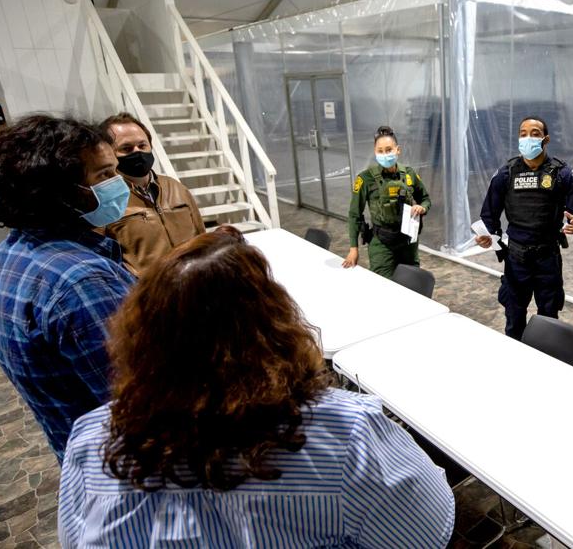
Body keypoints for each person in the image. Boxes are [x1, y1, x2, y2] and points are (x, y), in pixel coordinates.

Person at [58, 227, 455, 547]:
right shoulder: (347, 433)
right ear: (275, 323)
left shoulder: (92, 437)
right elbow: (426, 531)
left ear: (140, 337)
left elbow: (73, 536)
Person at [0, 115, 134, 461]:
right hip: (126, 464)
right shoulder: (82, 282)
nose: (119, 184)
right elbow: (144, 401)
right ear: (59, 192)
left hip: (79, 454)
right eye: (104, 175)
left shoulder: (4, 258)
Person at [476, 116, 573, 339]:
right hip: (516, 259)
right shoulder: (505, 174)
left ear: (545, 139)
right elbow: (489, 216)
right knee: (514, 316)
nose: (528, 137)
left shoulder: (562, 173)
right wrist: (488, 237)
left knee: (548, 318)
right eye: (523, 133)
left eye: (535, 133)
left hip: (547, 257)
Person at [98, 112, 206, 276]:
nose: (137, 152)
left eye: (142, 145)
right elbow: (106, 261)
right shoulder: (106, 200)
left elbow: (201, 236)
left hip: (195, 284)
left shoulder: (175, 188)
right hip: (150, 295)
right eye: (126, 148)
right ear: (109, 154)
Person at [343, 126, 431, 279]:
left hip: (408, 242)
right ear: (375, 152)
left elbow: (425, 199)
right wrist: (353, 248)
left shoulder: (409, 174)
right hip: (381, 244)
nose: (385, 154)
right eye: (380, 151)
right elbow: (354, 214)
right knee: (383, 287)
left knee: (410, 286)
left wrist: (421, 208)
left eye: (389, 149)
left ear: (398, 150)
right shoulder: (365, 179)